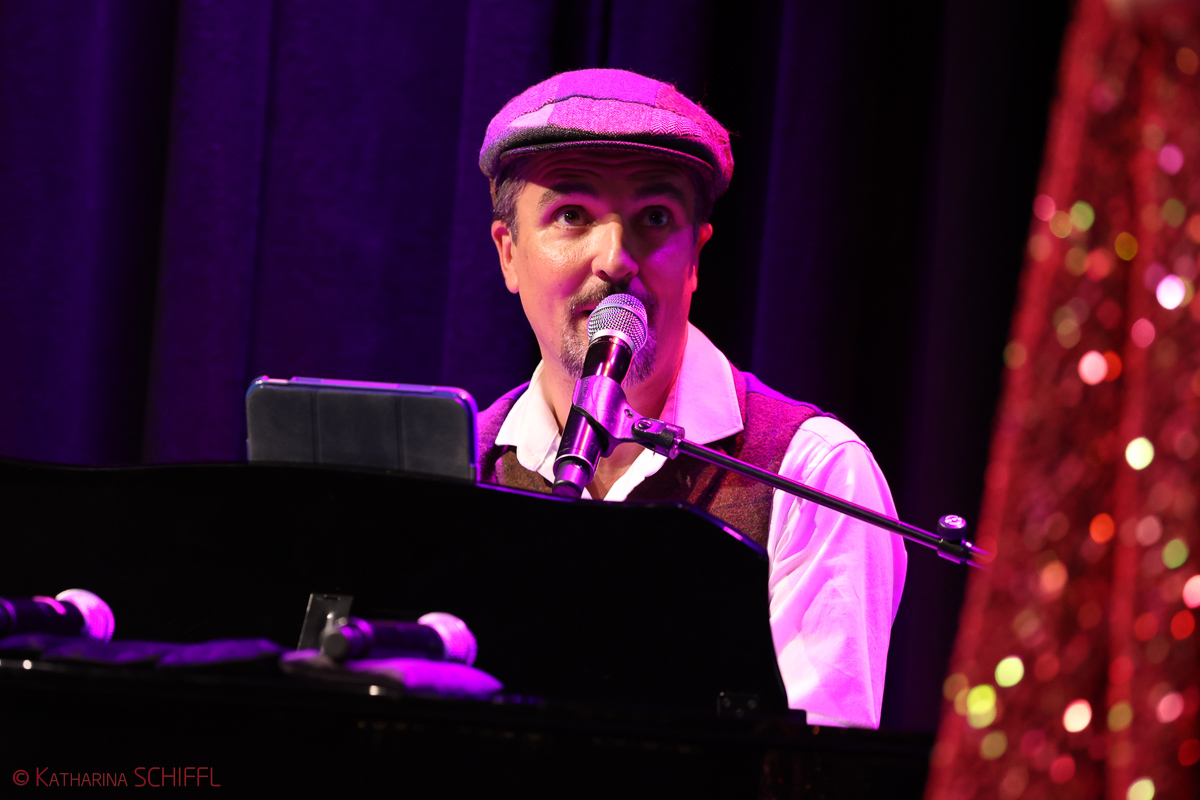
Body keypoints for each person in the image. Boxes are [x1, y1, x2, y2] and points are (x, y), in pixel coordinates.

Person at [475, 68, 907, 728]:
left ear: (696, 256)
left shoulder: (812, 475)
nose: (615, 259)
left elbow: (812, 765)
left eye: (655, 217)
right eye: (571, 215)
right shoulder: (464, 461)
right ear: (509, 254)